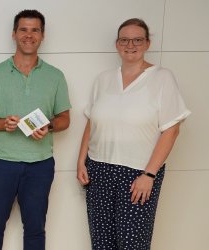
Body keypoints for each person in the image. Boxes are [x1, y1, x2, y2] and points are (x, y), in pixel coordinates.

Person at [76, 18, 190, 250]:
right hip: (99, 170)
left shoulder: (162, 78)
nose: (131, 45)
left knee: (132, 244)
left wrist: (149, 175)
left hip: (138, 173)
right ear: (117, 44)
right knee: (102, 243)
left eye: (137, 39)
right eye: (125, 40)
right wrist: (81, 161)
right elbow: (92, 122)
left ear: (147, 43)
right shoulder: (104, 79)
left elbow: (172, 129)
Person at [0, 9, 71, 250]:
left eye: (35, 30)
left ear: (42, 35)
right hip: (0, 163)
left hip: (40, 164)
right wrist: (2, 124)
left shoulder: (55, 76)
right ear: (14, 34)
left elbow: (65, 119)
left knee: (36, 229)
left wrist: (49, 126)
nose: (29, 35)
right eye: (24, 30)